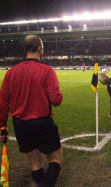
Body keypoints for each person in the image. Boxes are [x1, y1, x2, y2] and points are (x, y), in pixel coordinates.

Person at [0, 35, 63, 186]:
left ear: (25, 49)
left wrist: (2, 127)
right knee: (55, 158)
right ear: (40, 49)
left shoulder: (11, 72)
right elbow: (56, 100)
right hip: (42, 122)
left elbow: (3, 103)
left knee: (35, 162)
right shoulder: (47, 70)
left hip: (20, 124)